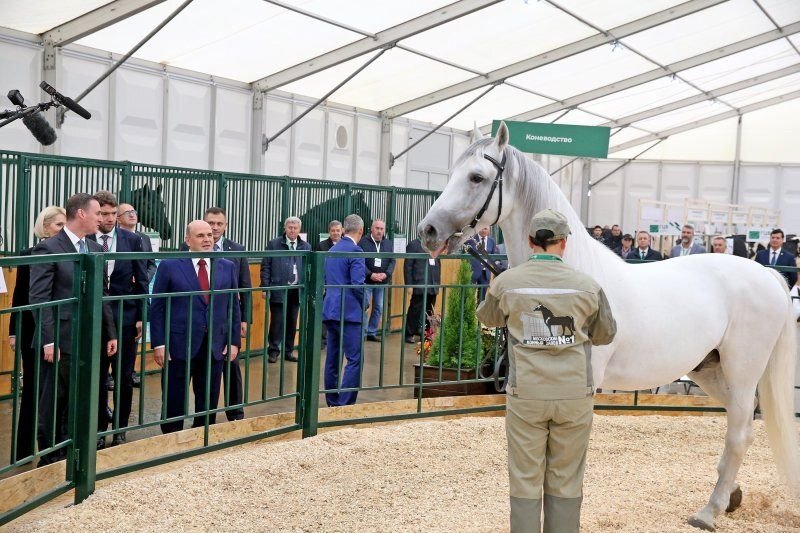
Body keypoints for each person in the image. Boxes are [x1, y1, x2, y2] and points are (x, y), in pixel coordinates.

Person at [476, 209, 617, 533]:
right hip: (573, 395)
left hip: (527, 394)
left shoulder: (509, 283)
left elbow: (488, 318)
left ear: (529, 241)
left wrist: (499, 288)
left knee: (525, 480)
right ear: (564, 243)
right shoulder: (587, 286)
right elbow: (605, 334)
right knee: (567, 481)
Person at [29, 193, 118, 464]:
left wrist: (110, 332)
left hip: (89, 338)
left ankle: (73, 456)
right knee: (54, 400)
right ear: (81, 214)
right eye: (97, 214)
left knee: (81, 398)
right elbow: (39, 298)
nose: (101, 219)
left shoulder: (95, 248)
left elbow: (102, 294)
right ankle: (49, 457)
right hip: (59, 339)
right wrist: (48, 340)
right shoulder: (49, 248)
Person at [149, 220, 241, 433]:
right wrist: (159, 344)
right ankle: (171, 439)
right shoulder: (170, 266)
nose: (207, 239)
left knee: (208, 397)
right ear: (187, 239)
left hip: (214, 344)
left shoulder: (227, 266)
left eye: (209, 235)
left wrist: (234, 341)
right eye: (200, 236)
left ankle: (202, 437)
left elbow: (233, 307)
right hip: (179, 344)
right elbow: (158, 307)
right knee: (174, 398)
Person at [87, 191, 149, 447]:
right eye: (104, 213)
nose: (110, 218)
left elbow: (142, 278)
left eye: (114, 213)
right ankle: (100, 426)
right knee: (98, 375)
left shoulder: (131, 239)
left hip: (125, 316)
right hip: (96, 318)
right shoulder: (86, 239)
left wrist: (141, 317)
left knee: (123, 375)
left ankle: (120, 428)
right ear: (95, 213)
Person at [181, 207, 251, 421]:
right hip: (196, 325)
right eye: (210, 223)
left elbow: (244, 286)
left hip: (225, 321)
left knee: (231, 366)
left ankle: (235, 412)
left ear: (225, 226)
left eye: (219, 224)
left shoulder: (236, 249)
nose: (214, 228)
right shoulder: (187, 249)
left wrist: (245, 319)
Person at [7, 206, 65, 462]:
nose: (62, 231)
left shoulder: (68, 253)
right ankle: (23, 450)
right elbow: (20, 295)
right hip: (31, 333)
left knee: (56, 390)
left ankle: (54, 444)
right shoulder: (28, 254)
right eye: (58, 226)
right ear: (45, 227)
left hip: (56, 329)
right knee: (32, 389)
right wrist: (12, 331)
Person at [323, 214, 367, 407]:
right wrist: (365, 302)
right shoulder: (356, 251)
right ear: (361, 231)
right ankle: (345, 405)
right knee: (355, 359)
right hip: (349, 312)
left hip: (331, 310)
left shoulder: (332, 250)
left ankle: (332, 401)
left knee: (332, 358)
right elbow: (358, 284)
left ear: (343, 229)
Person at [260, 216, 310, 363]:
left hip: (296, 290)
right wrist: (265, 286)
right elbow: (266, 266)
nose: (292, 230)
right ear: (285, 228)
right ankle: (273, 351)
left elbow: (309, 269)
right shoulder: (274, 244)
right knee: (277, 321)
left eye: (295, 228)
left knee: (292, 322)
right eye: (290, 227)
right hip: (278, 288)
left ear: (299, 230)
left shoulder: (305, 246)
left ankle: (288, 351)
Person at [358, 218, 395, 342]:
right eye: (377, 228)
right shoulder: (363, 242)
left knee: (378, 307)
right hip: (367, 281)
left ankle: (371, 332)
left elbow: (392, 260)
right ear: (371, 229)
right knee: (365, 307)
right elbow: (359, 261)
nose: (379, 231)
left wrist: (386, 274)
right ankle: (362, 333)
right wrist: (370, 274)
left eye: (382, 229)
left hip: (382, 282)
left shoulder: (388, 243)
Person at [403, 238, 440, 344]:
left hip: (432, 283)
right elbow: (408, 265)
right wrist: (409, 284)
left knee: (429, 310)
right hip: (419, 282)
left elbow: (437, 264)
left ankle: (426, 333)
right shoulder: (414, 244)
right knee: (415, 309)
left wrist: (437, 283)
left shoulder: (434, 244)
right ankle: (409, 333)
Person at [117, 203, 156, 283]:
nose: (132, 215)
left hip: (141, 288)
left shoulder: (145, 238)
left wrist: (143, 279)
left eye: (133, 212)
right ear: (118, 219)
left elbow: (151, 264)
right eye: (127, 213)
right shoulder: (114, 237)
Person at [467, 226, 498, 301]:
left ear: (489, 230)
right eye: (482, 228)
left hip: (485, 274)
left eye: (486, 229)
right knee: (469, 296)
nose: (484, 231)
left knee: (482, 298)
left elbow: (493, 256)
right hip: (472, 272)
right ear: (478, 229)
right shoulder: (471, 240)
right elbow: (464, 255)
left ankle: (478, 312)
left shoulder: (492, 241)